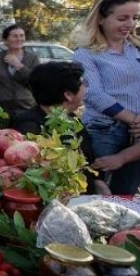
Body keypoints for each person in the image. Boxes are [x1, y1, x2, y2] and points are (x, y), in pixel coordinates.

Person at [73, 0, 140, 194]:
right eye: (122, 18)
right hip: (103, 131)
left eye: (135, 18)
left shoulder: (136, 49)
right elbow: (93, 94)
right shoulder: (85, 53)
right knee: (100, 193)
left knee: (127, 194)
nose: (130, 24)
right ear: (101, 19)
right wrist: (134, 119)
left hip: (136, 134)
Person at [11, 61, 110, 195]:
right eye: (83, 83)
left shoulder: (72, 120)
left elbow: (87, 160)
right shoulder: (29, 125)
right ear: (68, 94)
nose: (85, 87)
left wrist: (97, 181)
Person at [0, 24, 40, 125]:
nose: (19, 39)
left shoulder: (32, 58)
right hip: (1, 108)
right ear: (6, 40)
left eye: (21, 36)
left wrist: (18, 65)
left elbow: (36, 80)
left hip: (25, 107)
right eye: (15, 36)